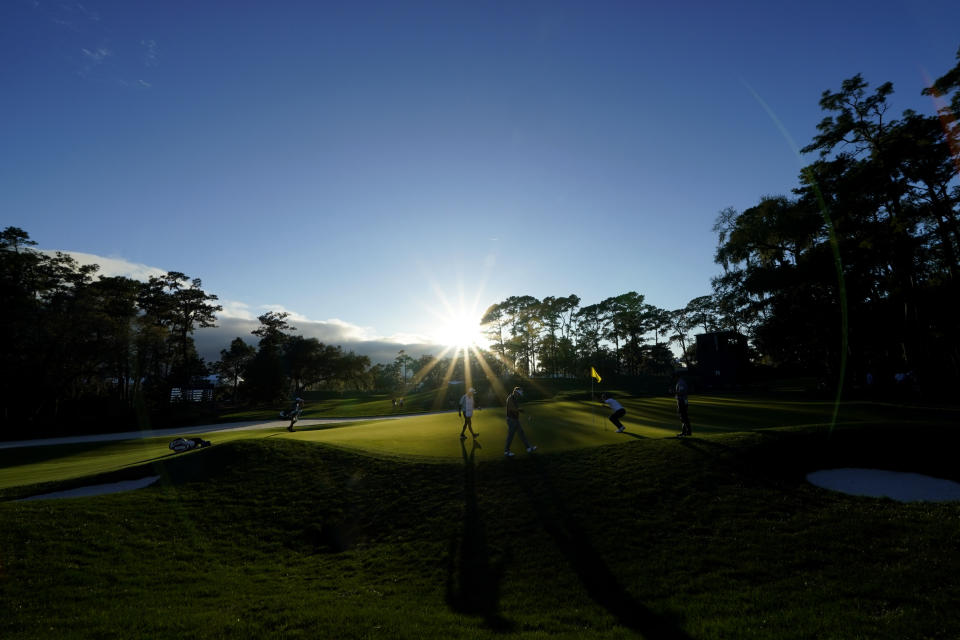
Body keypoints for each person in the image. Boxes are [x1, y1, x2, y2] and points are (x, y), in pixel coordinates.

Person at [504, 386, 535, 456]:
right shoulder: (510, 398)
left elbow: (515, 408)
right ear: (516, 392)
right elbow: (512, 409)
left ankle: (528, 448)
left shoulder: (514, 398)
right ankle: (506, 451)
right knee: (510, 436)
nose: (519, 396)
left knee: (521, 434)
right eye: (519, 394)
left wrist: (519, 410)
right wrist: (519, 410)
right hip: (511, 420)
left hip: (515, 419)